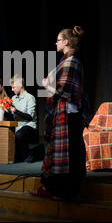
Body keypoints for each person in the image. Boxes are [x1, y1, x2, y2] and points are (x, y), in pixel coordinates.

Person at [32, 26, 90, 201]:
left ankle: (65, 190)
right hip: (64, 113)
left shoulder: (71, 62)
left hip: (69, 114)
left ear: (66, 42)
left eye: (58, 39)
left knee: (69, 152)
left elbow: (64, 91)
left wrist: (47, 86)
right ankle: (56, 188)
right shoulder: (64, 61)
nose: (56, 42)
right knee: (64, 151)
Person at [9, 74, 38, 163]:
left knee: (19, 135)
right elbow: (11, 114)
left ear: (20, 85)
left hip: (29, 126)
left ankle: (28, 156)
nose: (12, 89)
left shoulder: (30, 98)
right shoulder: (13, 98)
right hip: (17, 126)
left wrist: (16, 111)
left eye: (13, 87)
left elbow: (29, 117)